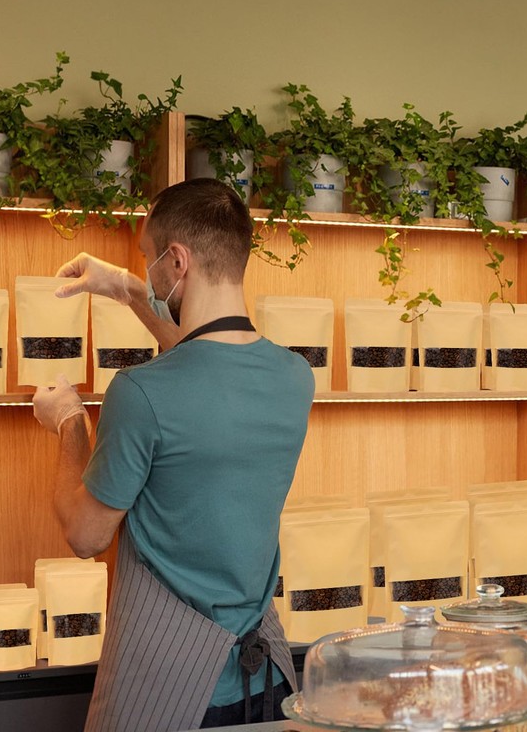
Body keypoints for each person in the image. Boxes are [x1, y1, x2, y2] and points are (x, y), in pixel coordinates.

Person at [33, 178, 315, 732]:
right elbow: (204, 363)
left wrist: (69, 423)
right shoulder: (295, 377)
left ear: (177, 260)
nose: (147, 271)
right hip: (269, 681)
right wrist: (125, 288)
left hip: (170, 690)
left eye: (148, 258)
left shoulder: (140, 392)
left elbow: (87, 536)